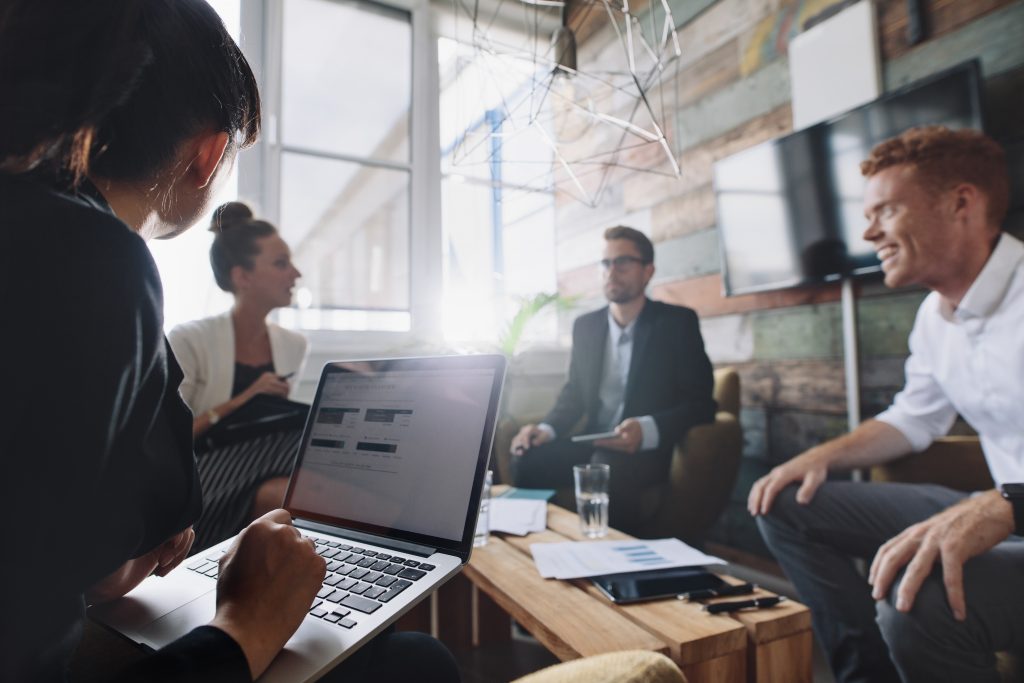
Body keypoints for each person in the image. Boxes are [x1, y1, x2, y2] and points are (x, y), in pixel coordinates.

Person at [0, 2, 458, 681]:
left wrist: (101, 561)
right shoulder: (96, 263)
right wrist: (243, 625)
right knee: (419, 664)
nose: (294, 272)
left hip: (118, 577)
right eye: (279, 262)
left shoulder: (44, 235)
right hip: (198, 513)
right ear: (209, 155)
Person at [748, 126, 1024, 683]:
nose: (869, 232)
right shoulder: (933, 316)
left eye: (886, 211)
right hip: (997, 506)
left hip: (1009, 511)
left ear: (960, 203)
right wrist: (819, 456)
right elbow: (914, 417)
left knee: (919, 598)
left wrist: (1006, 504)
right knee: (782, 500)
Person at [510, 226, 716, 535]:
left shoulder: (677, 323)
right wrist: (545, 428)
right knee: (527, 459)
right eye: (606, 263)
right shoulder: (586, 327)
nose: (611, 271)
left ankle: (616, 570)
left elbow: (701, 404)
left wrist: (647, 429)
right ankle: (538, 551)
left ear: (648, 271)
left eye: (623, 262)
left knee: (606, 468)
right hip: (594, 440)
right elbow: (575, 395)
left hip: (645, 452)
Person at [169, 202, 307, 550]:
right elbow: (170, 440)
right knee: (303, 470)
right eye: (281, 263)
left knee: (299, 467)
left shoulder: (293, 345)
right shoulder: (189, 340)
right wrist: (247, 399)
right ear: (242, 276)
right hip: (199, 472)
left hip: (262, 463)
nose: (296, 274)